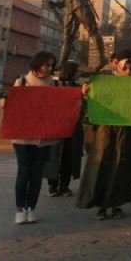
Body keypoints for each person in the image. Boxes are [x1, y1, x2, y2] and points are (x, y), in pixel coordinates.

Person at [77, 51, 131, 220]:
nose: (128, 71)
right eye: (125, 68)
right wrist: (86, 94)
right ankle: (102, 206)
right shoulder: (105, 83)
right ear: (118, 68)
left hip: (125, 132)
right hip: (106, 131)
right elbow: (91, 106)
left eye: (130, 68)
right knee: (103, 166)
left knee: (121, 168)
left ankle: (116, 205)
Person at [6, 51, 59, 224]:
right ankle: (20, 208)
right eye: (47, 65)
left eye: (52, 65)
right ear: (37, 64)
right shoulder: (22, 82)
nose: (49, 68)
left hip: (43, 137)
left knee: (36, 173)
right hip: (23, 136)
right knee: (24, 171)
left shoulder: (55, 84)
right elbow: (12, 105)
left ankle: (31, 207)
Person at [46, 61, 84, 197]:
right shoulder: (56, 85)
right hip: (57, 127)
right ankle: (53, 185)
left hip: (73, 127)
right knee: (55, 156)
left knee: (70, 156)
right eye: (77, 70)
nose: (80, 73)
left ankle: (64, 185)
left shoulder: (79, 87)